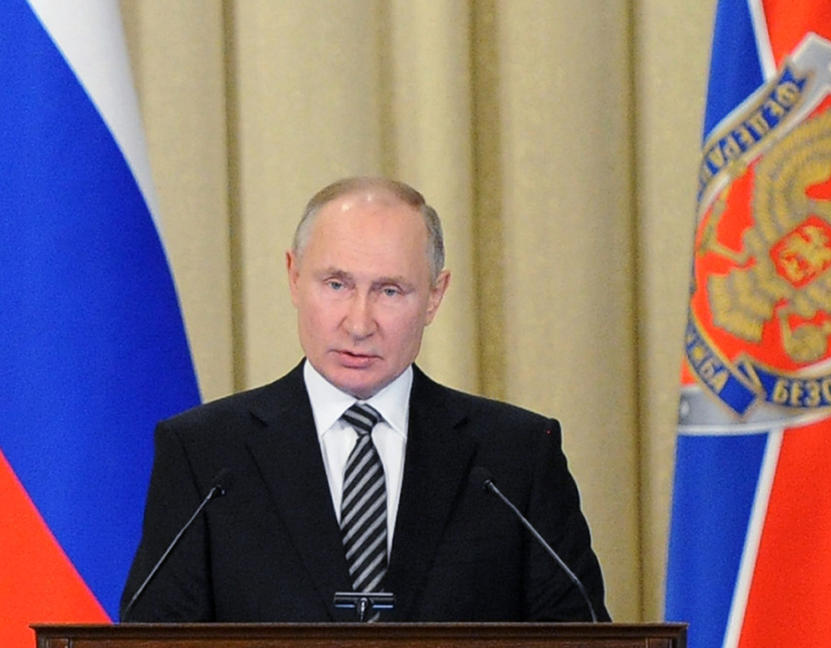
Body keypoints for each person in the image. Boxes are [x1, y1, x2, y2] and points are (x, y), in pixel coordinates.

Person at [120, 177, 609, 622]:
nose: (358, 323)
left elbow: (580, 630)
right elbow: (154, 633)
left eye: (390, 291)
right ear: (293, 276)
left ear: (435, 296)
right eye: (336, 285)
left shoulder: (515, 458)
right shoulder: (205, 455)